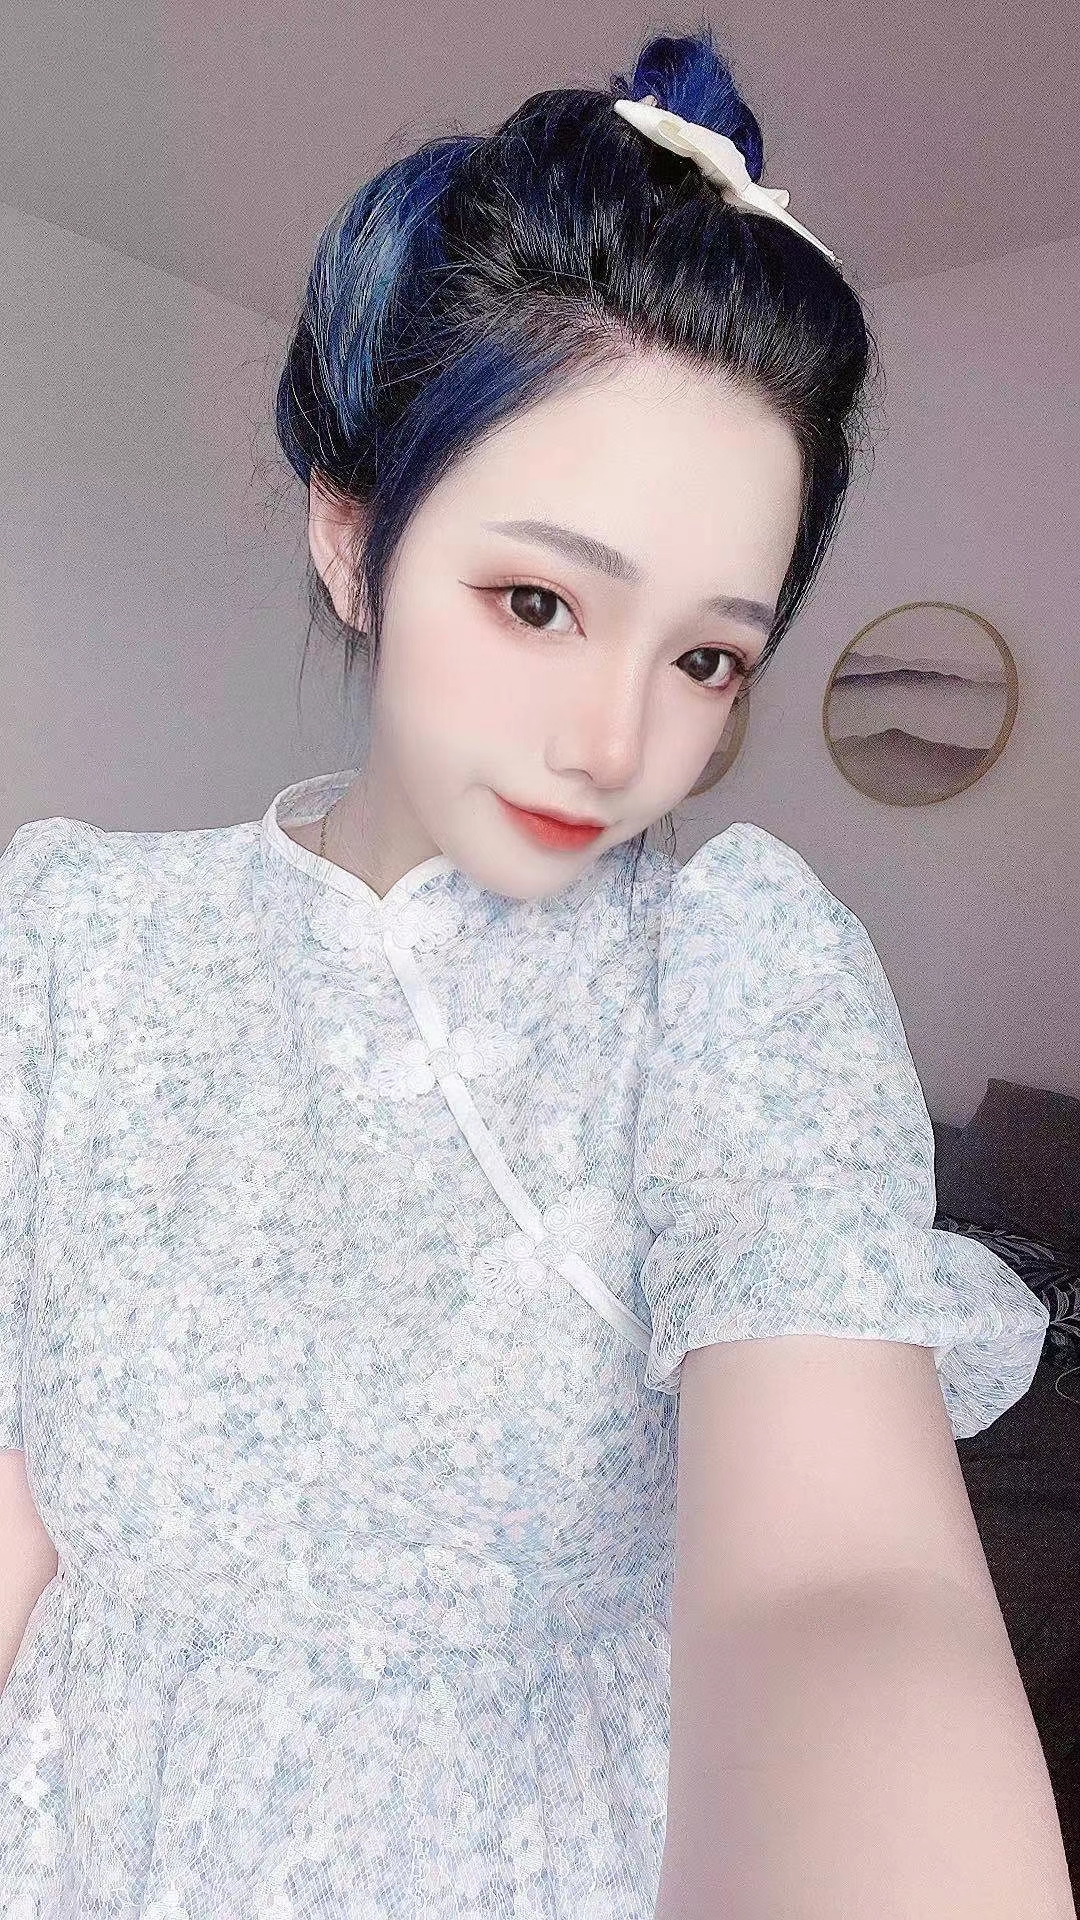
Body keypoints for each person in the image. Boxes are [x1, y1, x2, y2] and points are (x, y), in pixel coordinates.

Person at [0, 23, 1074, 1920]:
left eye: (707, 657)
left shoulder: (730, 978)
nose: (618, 742)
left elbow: (845, 1593)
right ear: (355, 541)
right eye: (539, 601)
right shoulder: (72, 942)